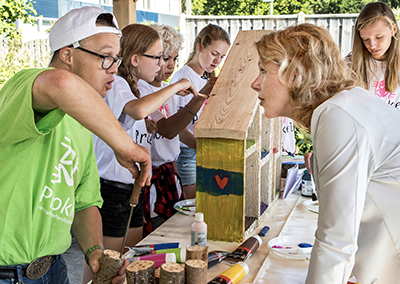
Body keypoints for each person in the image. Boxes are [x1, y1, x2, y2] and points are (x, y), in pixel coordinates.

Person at [0, 6, 151, 284]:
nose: (114, 70)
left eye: (116, 59)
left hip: (54, 269)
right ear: (67, 54)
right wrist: (126, 146)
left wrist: (95, 250)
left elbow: (84, 203)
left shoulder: (83, 122)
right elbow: (60, 83)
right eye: (105, 57)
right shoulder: (24, 84)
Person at [251, 23, 400, 283]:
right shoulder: (345, 103)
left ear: (294, 74)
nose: (255, 83)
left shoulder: (336, 114)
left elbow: (336, 242)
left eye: (263, 71)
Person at [84, 23, 197, 282]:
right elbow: (137, 110)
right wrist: (176, 86)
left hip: (131, 186)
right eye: (156, 57)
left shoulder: (139, 86)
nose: (161, 63)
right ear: (135, 59)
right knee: (104, 267)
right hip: (113, 187)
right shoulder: (120, 83)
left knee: (127, 261)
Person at [137, 24, 209, 235]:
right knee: (156, 231)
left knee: (173, 228)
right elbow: (167, 129)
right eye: (164, 58)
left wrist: (203, 147)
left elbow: (179, 130)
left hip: (170, 170)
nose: (169, 65)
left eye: (174, 59)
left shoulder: (164, 88)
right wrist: (201, 96)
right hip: (152, 177)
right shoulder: (143, 88)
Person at [170, 24, 230, 198]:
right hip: (188, 152)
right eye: (214, 54)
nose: (217, 61)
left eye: (222, 57)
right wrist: (205, 150)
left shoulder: (207, 78)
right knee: (192, 208)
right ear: (199, 46)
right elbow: (180, 130)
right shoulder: (183, 78)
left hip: (202, 148)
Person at [351, 1, 400, 109]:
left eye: (379, 37)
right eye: (365, 39)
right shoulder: (349, 64)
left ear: (393, 30)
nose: (372, 45)